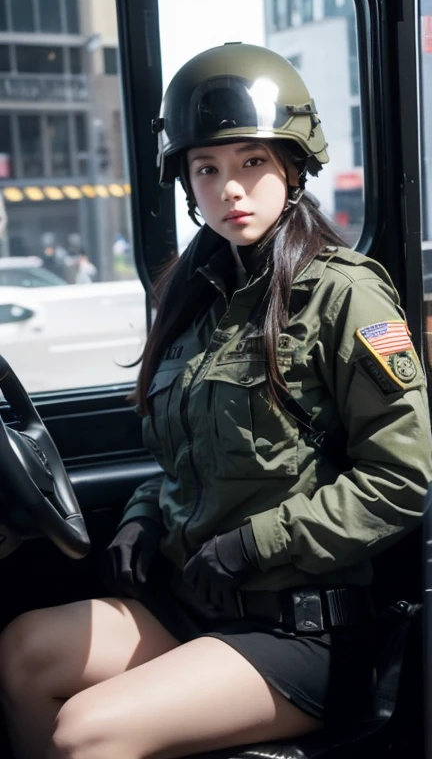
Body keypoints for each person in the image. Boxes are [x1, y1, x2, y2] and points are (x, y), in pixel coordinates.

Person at [0, 43, 430, 759]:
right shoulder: (194, 300)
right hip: (195, 601)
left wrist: (257, 544)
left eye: (251, 163)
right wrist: (141, 519)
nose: (230, 188)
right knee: (22, 654)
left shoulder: (345, 295)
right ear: (188, 183)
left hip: (300, 628)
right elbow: (181, 459)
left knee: (85, 731)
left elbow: (400, 479)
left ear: (293, 168)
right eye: (208, 169)